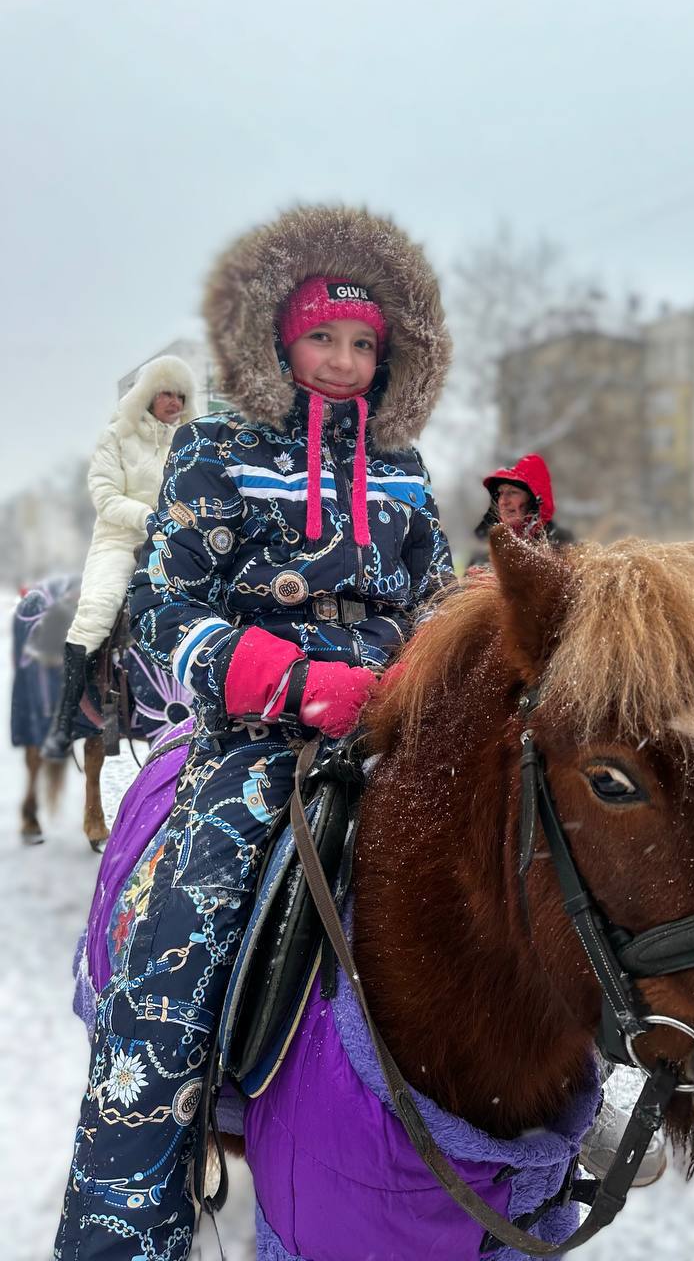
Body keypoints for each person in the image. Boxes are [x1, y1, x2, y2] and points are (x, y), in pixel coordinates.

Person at [55, 205, 455, 1260]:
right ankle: (126, 1212)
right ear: (280, 337)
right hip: (257, 734)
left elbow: (444, 599)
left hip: (396, 719)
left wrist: (430, 670)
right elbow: (164, 604)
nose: (344, 359)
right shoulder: (215, 445)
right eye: (325, 336)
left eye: (365, 344)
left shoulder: (407, 464)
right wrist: (276, 674)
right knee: (183, 931)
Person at [41, 356, 198, 759]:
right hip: (119, 542)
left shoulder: (193, 441)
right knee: (96, 611)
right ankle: (63, 724)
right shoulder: (117, 436)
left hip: (176, 544)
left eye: (181, 394)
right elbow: (105, 496)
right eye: (167, 392)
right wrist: (149, 517)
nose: (174, 402)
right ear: (147, 395)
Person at [468, 452, 573, 568]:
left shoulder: (562, 546)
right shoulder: (486, 551)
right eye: (500, 493)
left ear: (534, 500)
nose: (503, 501)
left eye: (513, 492)